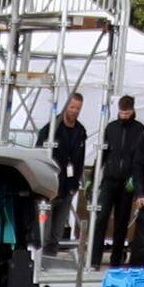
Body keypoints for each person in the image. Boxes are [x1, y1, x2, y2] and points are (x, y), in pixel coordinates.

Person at [94, 94, 144, 270]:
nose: (124, 116)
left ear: (133, 111)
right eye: (122, 113)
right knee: (101, 216)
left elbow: (140, 157)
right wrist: (93, 177)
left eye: (127, 113)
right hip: (109, 179)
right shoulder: (111, 128)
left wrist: (135, 180)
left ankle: (116, 259)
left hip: (127, 182)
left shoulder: (140, 129)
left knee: (122, 222)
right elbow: (103, 154)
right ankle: (94, 258)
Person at [45, 91, 92, 259]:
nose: (74, 111)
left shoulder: (80, 131)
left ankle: (51, 255)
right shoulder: (52, 127)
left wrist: (75, 184)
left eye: (78, 108)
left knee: (58, 228)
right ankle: (40, 257)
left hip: (68, 186)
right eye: (72, 107)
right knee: (46, 226)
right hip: (50, 183)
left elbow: (79, 161)